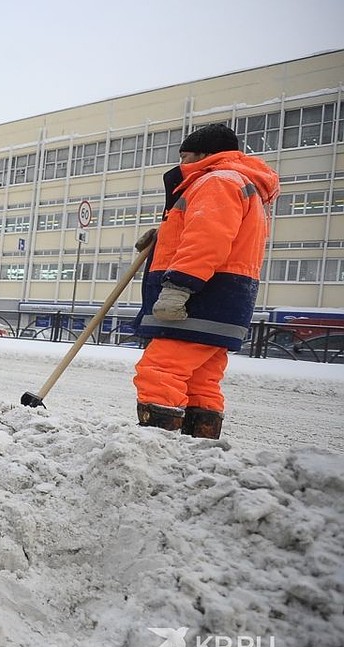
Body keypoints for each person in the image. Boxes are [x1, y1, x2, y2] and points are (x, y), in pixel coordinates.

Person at [133, 124, 279, 439]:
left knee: (160, 372)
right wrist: (166, 233)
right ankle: (198, 449)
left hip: (199, 299)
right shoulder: (240, 183)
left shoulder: (216, 181)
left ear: (205, 154)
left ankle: (155, 447)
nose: (181, 164)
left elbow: (206, 242)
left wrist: (178, 288)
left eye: (186, 156)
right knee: (201, 382)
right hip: (226, 300)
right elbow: (219, 237)